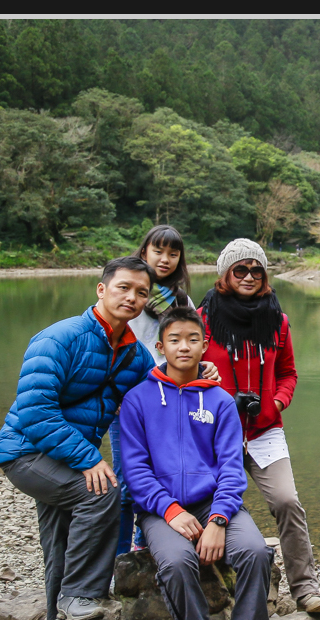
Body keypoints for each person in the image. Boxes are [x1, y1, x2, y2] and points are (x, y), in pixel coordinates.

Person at [0, 257, 157, 620]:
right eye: (123, 288)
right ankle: (81, 594)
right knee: (101, 492)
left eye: (141, 292)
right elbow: (35, 411)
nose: (132, 297)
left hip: (65, 456)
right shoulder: (60, 338)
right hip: (26, 452)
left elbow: (159, 396)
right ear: (101, 289)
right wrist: (89, 459)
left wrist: (200, 373)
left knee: (60, 538)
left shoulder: (135, 355)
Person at [119, 307, 273, 620]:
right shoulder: (138, 400)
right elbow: (135, 471)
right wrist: (170, 510)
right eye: (174, 340)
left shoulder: (220, 401)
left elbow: (232, 469)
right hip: (160, 508)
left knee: (255, 551)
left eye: (192, 339)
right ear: (160, 347)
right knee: (175, 561)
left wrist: (218, 520)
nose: (184, 347)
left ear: (205, 346)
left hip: (212, 502)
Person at [199, 238, 320, 614]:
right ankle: (211, 591)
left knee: (287, 502)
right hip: (212, 432)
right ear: (225, 274)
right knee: (207, 505)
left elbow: (288, 373)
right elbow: (182, 368)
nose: (249, 276)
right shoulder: (202, 318)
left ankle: (305, 589)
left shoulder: (278, 321)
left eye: (256, 270)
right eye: (240, 269)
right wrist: (214, 391)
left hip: (264, 429)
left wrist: (274, 403)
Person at [111, 225, 196, 556]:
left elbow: (190, 347)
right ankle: (120, 558)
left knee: (163, 476)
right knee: (126, 482)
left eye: (173, 254)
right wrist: (116, 394)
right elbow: (108, 346)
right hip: (126, 401)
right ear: (144, 251)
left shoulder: (180, 300)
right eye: (158, 251)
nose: (165, 259)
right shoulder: (127, 292)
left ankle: (146, 548)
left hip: (168, 400)